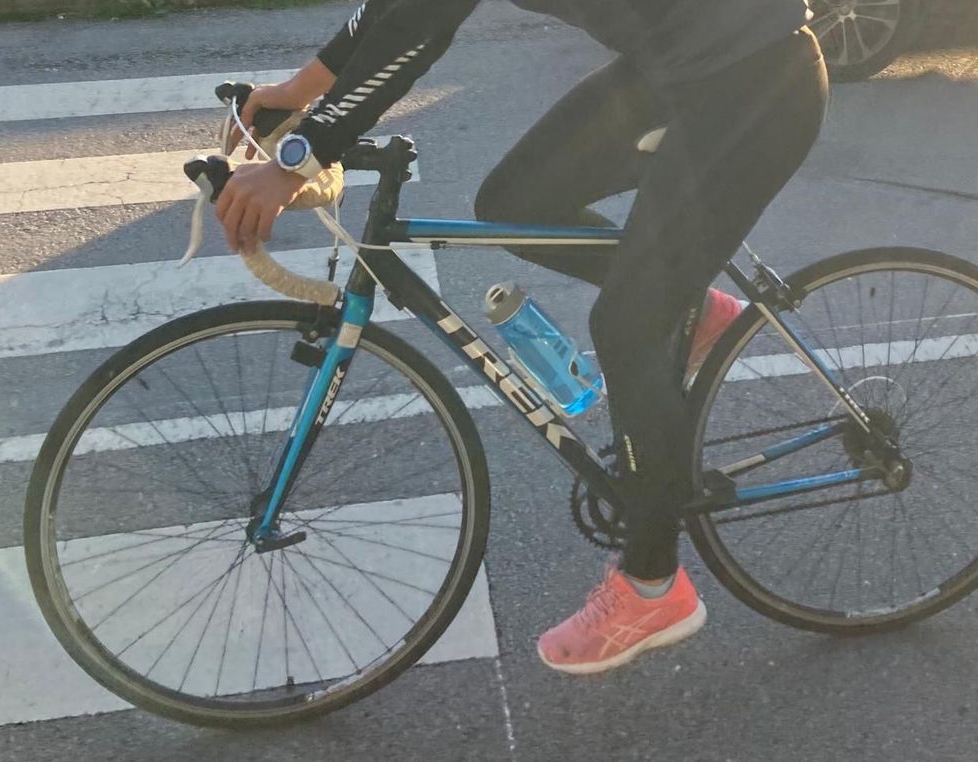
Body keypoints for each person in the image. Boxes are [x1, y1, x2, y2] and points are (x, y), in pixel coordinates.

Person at [216, 0, 829, 675]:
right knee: (515, 202)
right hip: (679, 72)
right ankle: (691, 307)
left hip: (754, 85)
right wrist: (300, 91)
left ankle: (653, 586)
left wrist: (297, 159)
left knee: (625, 327)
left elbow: (419, 26)